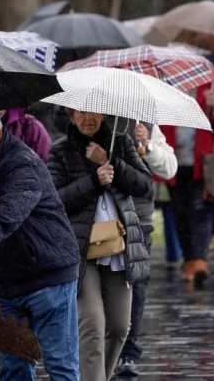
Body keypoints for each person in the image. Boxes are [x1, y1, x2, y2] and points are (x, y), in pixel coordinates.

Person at [0, 104, 81, 381]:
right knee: (13, 368)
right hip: (5, 283)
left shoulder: (23, 164)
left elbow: (7, 214)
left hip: (48, 275)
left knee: (60, 366)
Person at [46, 109, 151, 380]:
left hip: (117, 245)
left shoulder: (121, 142)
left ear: (103, 115)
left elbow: (144, 185)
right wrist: (93, 181)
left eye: (92, 112)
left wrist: (110, 161)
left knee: (119, 327)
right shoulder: (60, 151)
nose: (87, 118)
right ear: (70, 116)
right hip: (79, 250)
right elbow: (53, 200)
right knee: (92, 325)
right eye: (79, 113)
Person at [116, 120, 177, 378]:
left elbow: (169, 168)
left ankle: (128, 351)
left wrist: (148, 145)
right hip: (99, 215)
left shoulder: (144, 121)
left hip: (138, 217)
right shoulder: (88, 113)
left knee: (136, 284)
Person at [161, 81, 214, 284]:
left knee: (199, 210)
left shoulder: (213, 86)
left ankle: (200, 260)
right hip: (173, 161)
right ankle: (189, 261)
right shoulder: (165, 87)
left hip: (203, 163)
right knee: (180, 213)